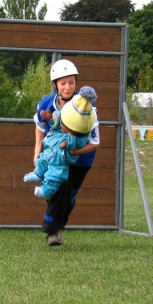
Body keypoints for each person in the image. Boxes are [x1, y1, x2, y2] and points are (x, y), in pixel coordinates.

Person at [33, 59, 100, 246]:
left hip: (81, 158)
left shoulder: (88, 108)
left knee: (68, 197)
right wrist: (37, 150)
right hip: (54, 156)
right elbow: (39, 127)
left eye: (71, 82)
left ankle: (56, 228)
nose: (68, 87)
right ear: (55, 85)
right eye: (63, 83)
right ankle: (52, 231)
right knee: (58, 188)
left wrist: (72, 150)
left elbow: (95, 143)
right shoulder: (46, 104)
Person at [24, 86, 97, 200]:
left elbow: (75, 143)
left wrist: (66, 143)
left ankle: (47, 189)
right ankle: (39, 173)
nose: (62, 125)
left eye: (65, 124)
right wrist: (50, 118)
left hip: (61, 160)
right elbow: (58, 118)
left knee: (56, 174)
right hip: (51, 150)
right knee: (43, 158)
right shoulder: (66, 115)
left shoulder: (78, 136)